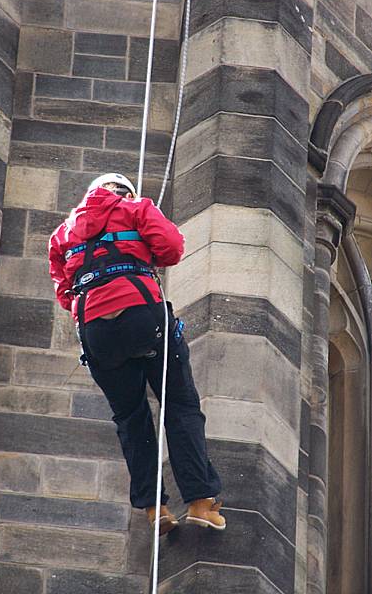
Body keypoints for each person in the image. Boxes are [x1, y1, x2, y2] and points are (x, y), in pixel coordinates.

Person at [48, 173, 225, 534]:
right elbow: (173, 248)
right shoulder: (136, 207)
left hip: (96, 330)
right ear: (124, 192)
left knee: (131, 418)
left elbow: (65, 291)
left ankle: (154, 508)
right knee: (180, 404)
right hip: (143, 316)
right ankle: (200, 502)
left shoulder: (64, 232)